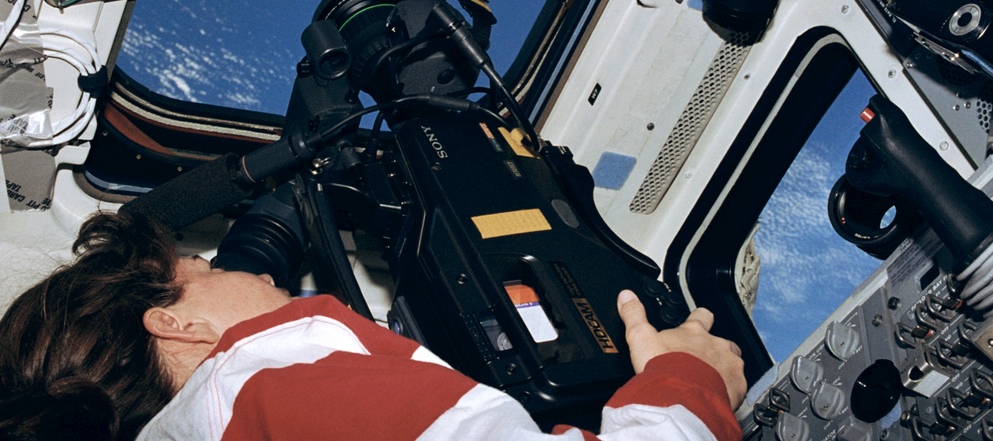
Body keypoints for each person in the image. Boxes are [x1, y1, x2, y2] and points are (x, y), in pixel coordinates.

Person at [0, 211, 746, 440]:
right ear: (176, 321)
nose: (264, 276)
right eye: (210, 268)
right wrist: (688, 378)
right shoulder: (278, 397)